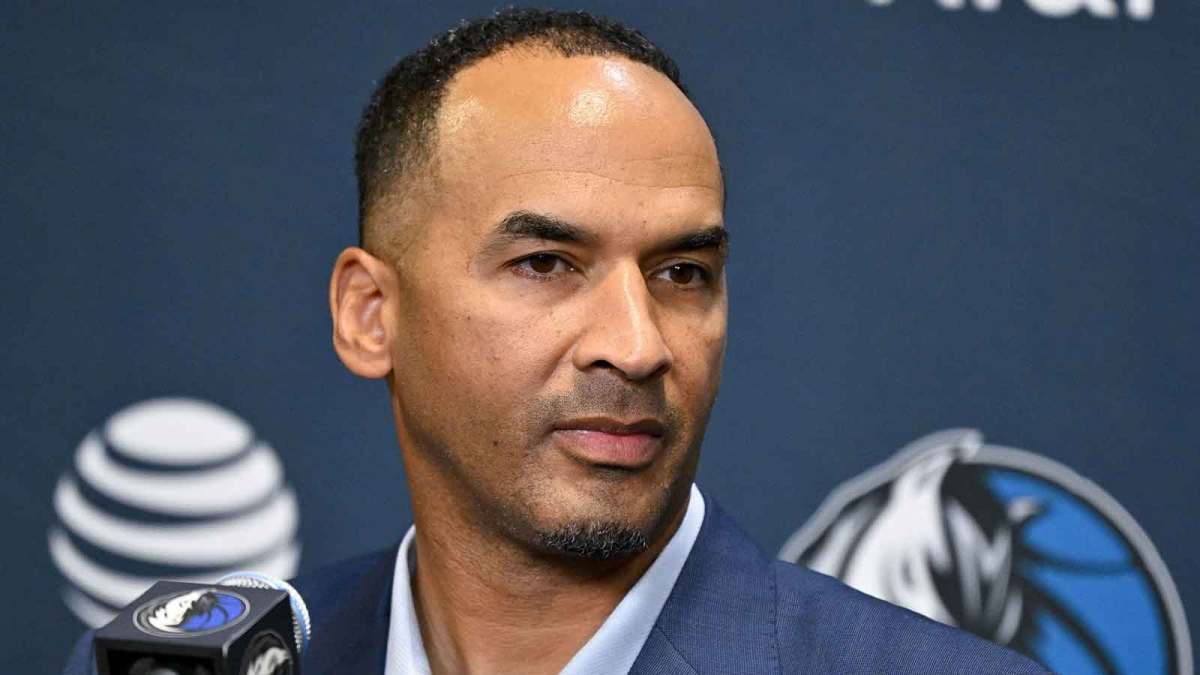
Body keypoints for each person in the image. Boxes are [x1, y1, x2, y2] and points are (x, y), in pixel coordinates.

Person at [64, 8, 1048, 674]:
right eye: (546, 263)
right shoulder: (179, 666)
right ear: (370, 314)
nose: (637, 344)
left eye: (682, 273)